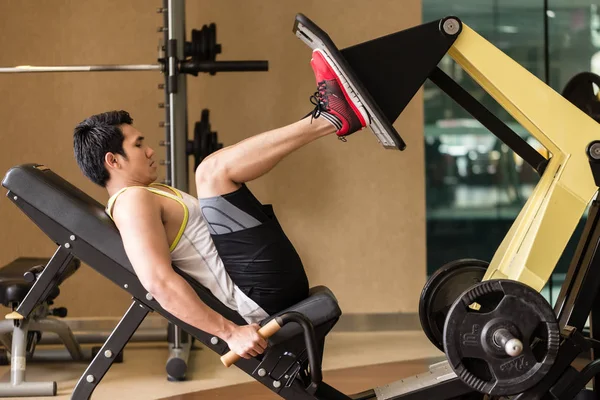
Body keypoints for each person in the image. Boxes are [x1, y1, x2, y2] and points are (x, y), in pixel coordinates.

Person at [72, 49, 368, 360]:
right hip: (256, 295)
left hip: (264, 281)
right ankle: (331, 117)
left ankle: (331, 117)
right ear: (112, 160)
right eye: (138, 145)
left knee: (212, 171)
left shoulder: (147, 193)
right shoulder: (131, 203)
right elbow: (157, 282)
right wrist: (230, 332)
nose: (148, 151)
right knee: (211, 173)